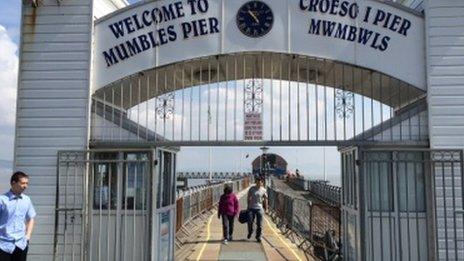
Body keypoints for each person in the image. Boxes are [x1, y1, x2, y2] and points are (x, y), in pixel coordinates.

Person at [0, 171, 36, 261]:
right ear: (13, 183)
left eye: (27, 183)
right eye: (22, 183)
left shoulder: (27, 200)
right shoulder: (2, 200)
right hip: (3, 245)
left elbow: (31, 218)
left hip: (21, 244)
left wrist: (27, 236)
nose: (25, 186)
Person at [247, 177, 268, 242]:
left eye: (260, 182)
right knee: (250, 221)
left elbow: (266, 200)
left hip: (259, 208)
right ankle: (250, 231)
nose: (259, 183)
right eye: (257, 182)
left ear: (262, 183)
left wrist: (266, 209)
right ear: (256, 182)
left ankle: (258, 236)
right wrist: (248, 205)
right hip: (251, 207)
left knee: (259, 224)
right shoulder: (251, 189)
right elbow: (248, 197)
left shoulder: (264, 190)